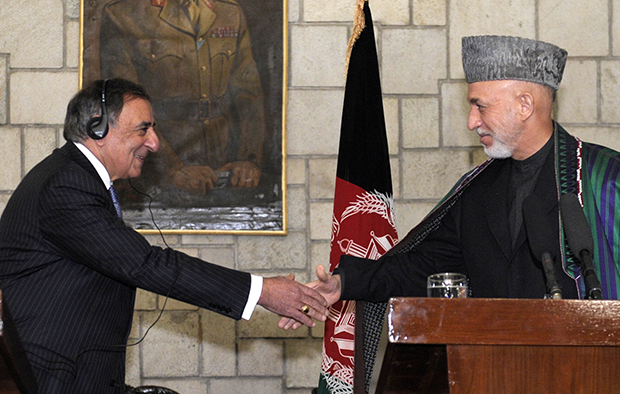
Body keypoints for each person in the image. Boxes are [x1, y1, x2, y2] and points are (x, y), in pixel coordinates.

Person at [0, 78, 326, 393]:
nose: (155, 143)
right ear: (98, 128)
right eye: (144, 129)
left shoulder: (76, 177)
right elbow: (144, 264)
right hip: (47, 379)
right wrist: (263, 291)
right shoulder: (66, 185)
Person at [280, 35, 620, 330]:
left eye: (480, 106)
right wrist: (345, 282)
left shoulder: (603, 179)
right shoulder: (478, 188)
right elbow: (423, 266)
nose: (472, 121)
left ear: (525, 105)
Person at [99, 0, 265, 195]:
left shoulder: (230, 13)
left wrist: (247, 158)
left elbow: (249, 95)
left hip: (224, 170)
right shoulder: (123, 16)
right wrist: (171, 169)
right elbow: (125, 108)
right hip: (155, 176)